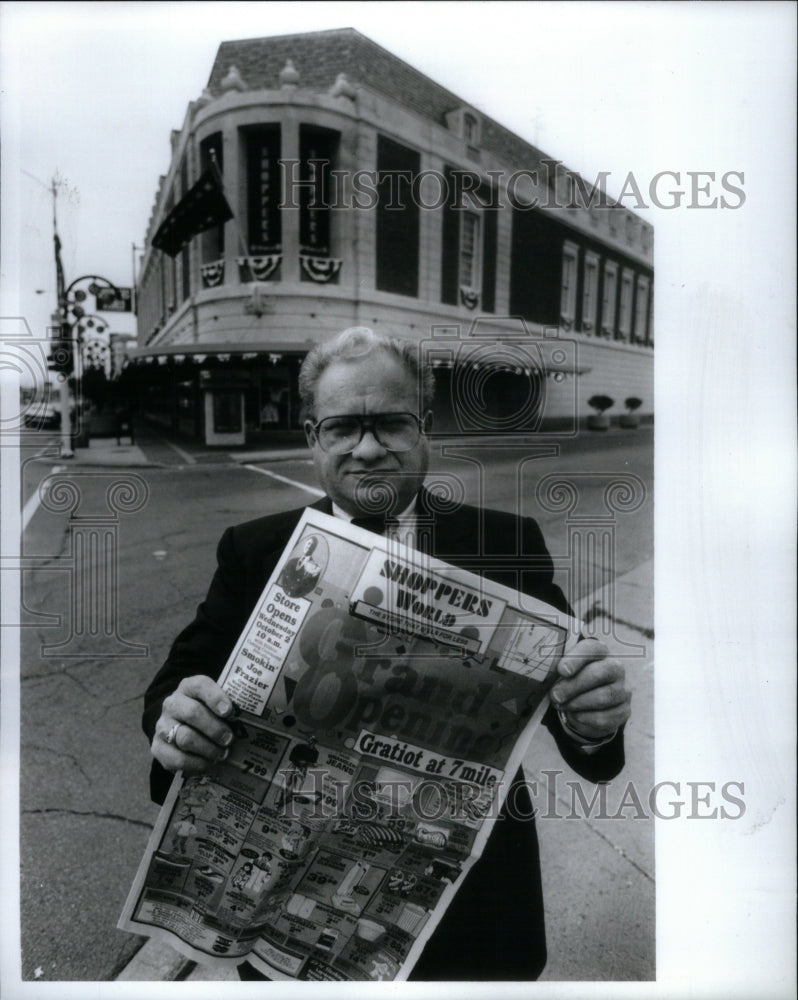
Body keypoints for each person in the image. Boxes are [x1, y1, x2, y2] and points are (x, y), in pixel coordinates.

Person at [143, 326, 631, 981]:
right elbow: (174, 685)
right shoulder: (254, 550)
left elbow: (571, 710)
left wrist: (592, 718)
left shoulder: (504, 542)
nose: (368, 449)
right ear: (313, 436)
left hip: (470, 918)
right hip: (293, 913)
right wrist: (178, 719)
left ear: (423, 428)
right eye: (343, 427)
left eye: (391, 424)